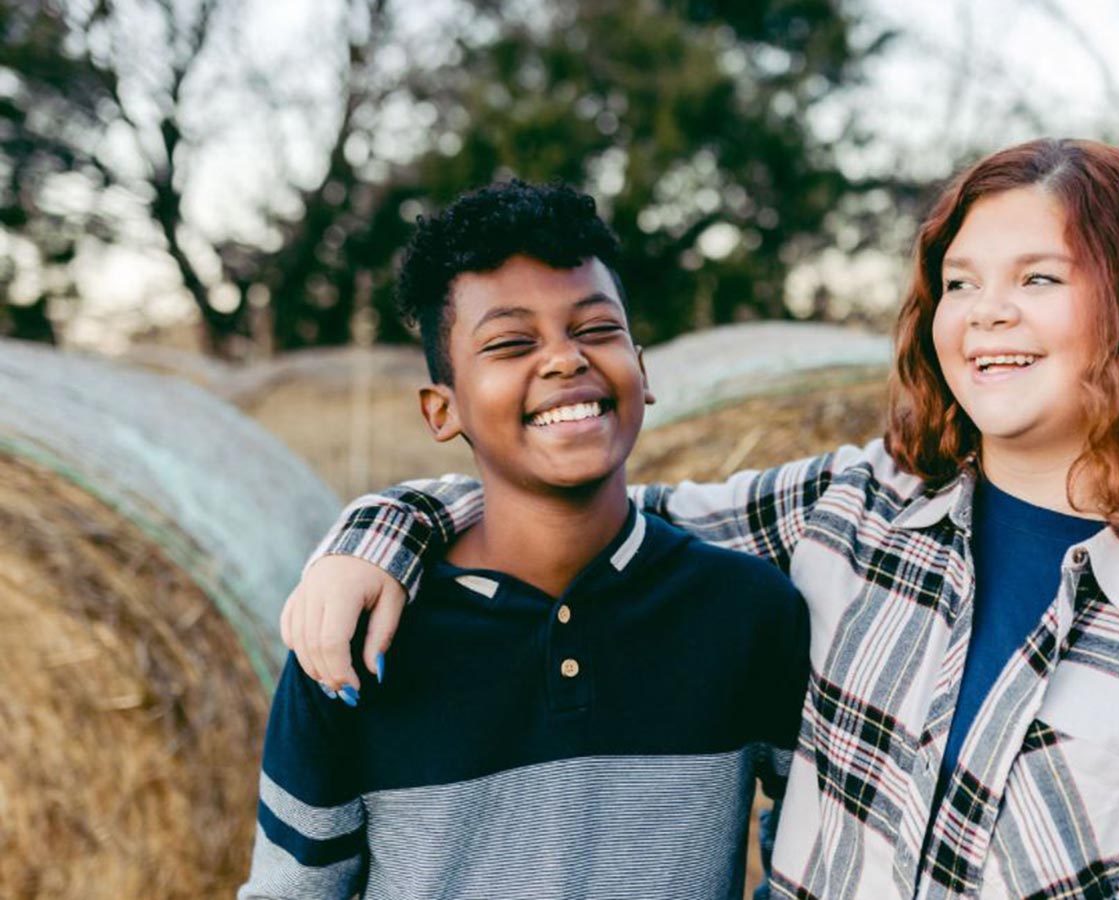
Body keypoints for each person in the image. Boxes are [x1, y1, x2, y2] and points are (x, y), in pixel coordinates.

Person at [281, 139, 1119, 898]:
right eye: (959, 282)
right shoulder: (852, 517)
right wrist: (387, 530)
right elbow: (580, 511)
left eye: (1039, 278)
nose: (988, 313)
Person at [240, 181, 809, 899]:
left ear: (644, 370)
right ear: (442, 410)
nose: (565, 360)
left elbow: (815, 861)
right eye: (512, 343)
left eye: (597, 330)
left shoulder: (748, 609)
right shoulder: (356, 636)